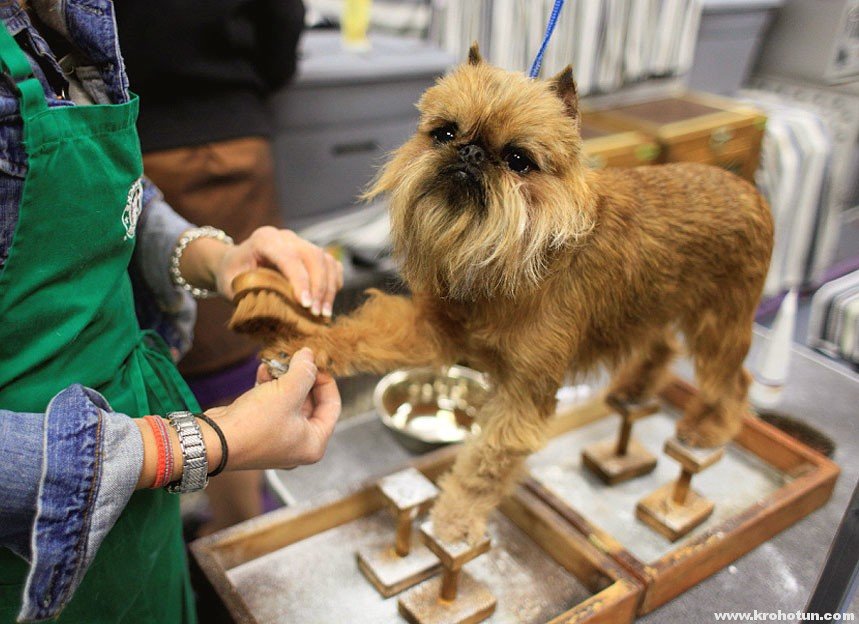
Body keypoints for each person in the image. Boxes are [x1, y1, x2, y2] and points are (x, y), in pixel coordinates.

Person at [0, 2, 341, 622]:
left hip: (138, 483)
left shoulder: (63, 18)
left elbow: (112, 195)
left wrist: (217, 258)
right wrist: (206, 442)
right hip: (26, 558)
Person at [113, 0, 318, 534]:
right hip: (224, 135)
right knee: (225, 354)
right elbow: (282, 26)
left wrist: (223, 258)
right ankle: (238, 521)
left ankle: (236, 524)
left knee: (231, 342)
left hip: (148, 136)